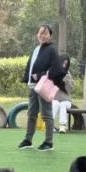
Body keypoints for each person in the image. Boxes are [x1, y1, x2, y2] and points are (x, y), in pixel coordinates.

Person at [17, 23, 63, 152]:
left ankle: (49, 142)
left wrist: (40, 75)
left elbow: (56, 68)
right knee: (31, 114)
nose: (43, 35)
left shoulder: (52, 49)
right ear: (37, 34)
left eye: (45, 33)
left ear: (50, 35)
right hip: (33, 86)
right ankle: (28, 140)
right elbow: (31, 66)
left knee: (46, 115)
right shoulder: (36, 49)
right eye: (40, 33)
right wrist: (28, 79)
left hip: (43, 87)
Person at [52, 53, 74, 134]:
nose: (64, 66)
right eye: (63, 63)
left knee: (63, 104)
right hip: (54, 98)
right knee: (55, 103)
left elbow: (70, 90)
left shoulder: (68, 74)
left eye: (66, 64)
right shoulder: (53, 72)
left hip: (66, 100)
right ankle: (50, 125)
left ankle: (62, 126)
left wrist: (67, 82)